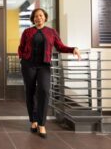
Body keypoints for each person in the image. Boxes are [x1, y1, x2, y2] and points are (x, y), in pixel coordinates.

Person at [18, 8, 81, 138]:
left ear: (45, 18)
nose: (38, 18)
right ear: (33, 19)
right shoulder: (27, 31)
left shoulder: (51, 32)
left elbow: (60, 46)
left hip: (44, 65)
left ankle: (42, 124)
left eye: (41, 16)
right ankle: (33, 121)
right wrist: (22, 58)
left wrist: (73, 49)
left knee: (45, 91)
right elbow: (21, 47)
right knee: (30, 92)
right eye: (36, 16)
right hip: (28, 65)